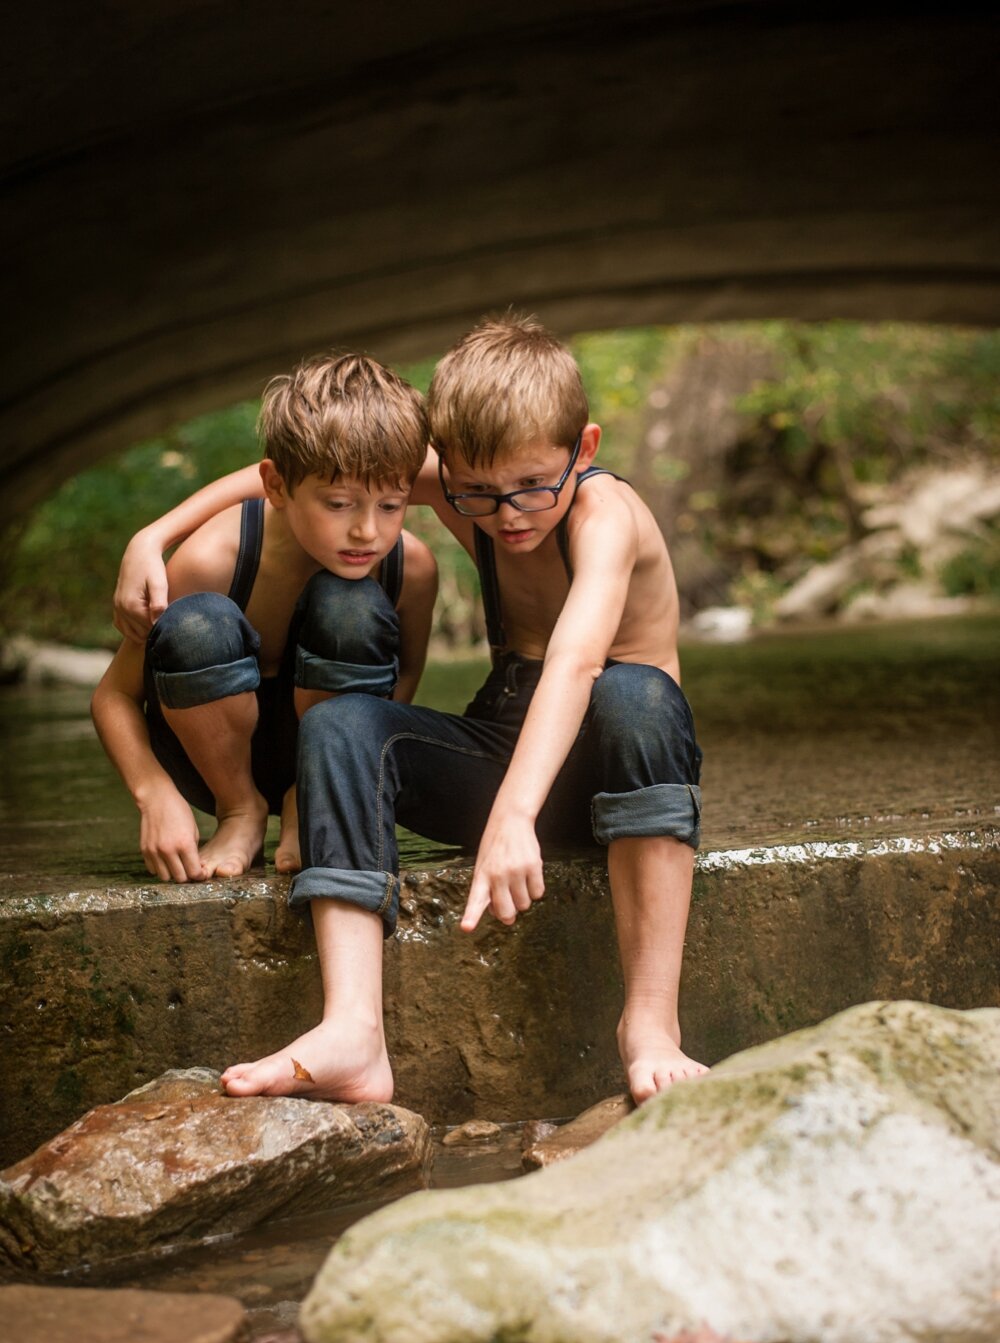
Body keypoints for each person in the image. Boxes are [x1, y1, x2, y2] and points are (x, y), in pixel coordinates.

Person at [115, 314, 705, 1105]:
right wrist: (153, 536)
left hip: (611, 762)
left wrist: (514, 816)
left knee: (637, 696)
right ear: (451, 469)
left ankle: (650, 1027)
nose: (509, 515)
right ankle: (354, 1030)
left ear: (583, 450)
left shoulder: (605, 518)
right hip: (507, 737)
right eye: (477, 493)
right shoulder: (481, 488)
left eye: (533, 485)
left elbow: (575, 664)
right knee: (340, 723)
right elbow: (288, 474)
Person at [92, 353, 436, 885]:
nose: (368, 532)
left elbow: (404, 676)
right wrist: (152, 792)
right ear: (276, 486)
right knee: (198, 621)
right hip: (213, 757)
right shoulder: (213, 558)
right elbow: (113, 696)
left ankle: (310, 800)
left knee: (352, 605)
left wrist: (345, 771)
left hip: (331, 749)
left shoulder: (409, 570)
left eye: (391, 506)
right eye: (339, 503)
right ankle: (240, 812)